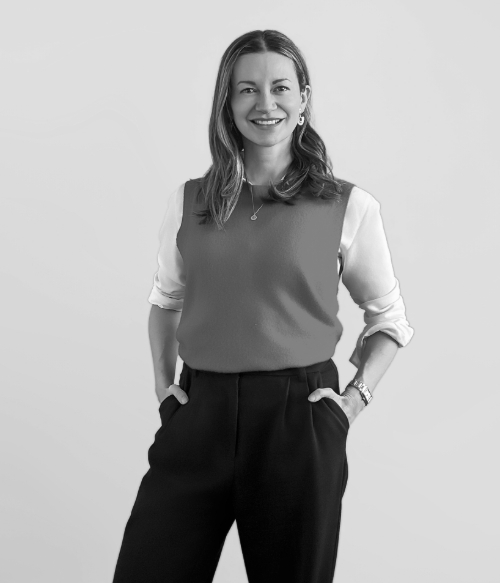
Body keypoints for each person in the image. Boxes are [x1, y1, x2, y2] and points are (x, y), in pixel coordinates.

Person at [112, 29, 414, 583]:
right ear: (227, 103)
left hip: (297, 420)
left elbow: (388, 320)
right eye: (247, 89)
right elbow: (166, 299)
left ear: (303, 99)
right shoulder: (190, 200)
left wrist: (352, 402)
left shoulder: (348, 205)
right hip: (199, 412)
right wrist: (163, 387)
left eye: (280, 88)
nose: (265, 103)